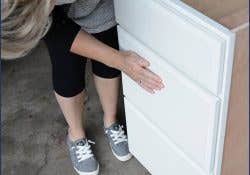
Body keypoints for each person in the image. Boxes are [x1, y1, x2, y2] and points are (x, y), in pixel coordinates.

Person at [1, 0, 164, 174]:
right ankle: (76, 134)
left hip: (100, 9)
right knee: (68, 75)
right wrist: (120, 60)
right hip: (61, 17)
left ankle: (110, 120)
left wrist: (118, 60)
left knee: (108, 67)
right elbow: (53, 29)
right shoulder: (25, 12)